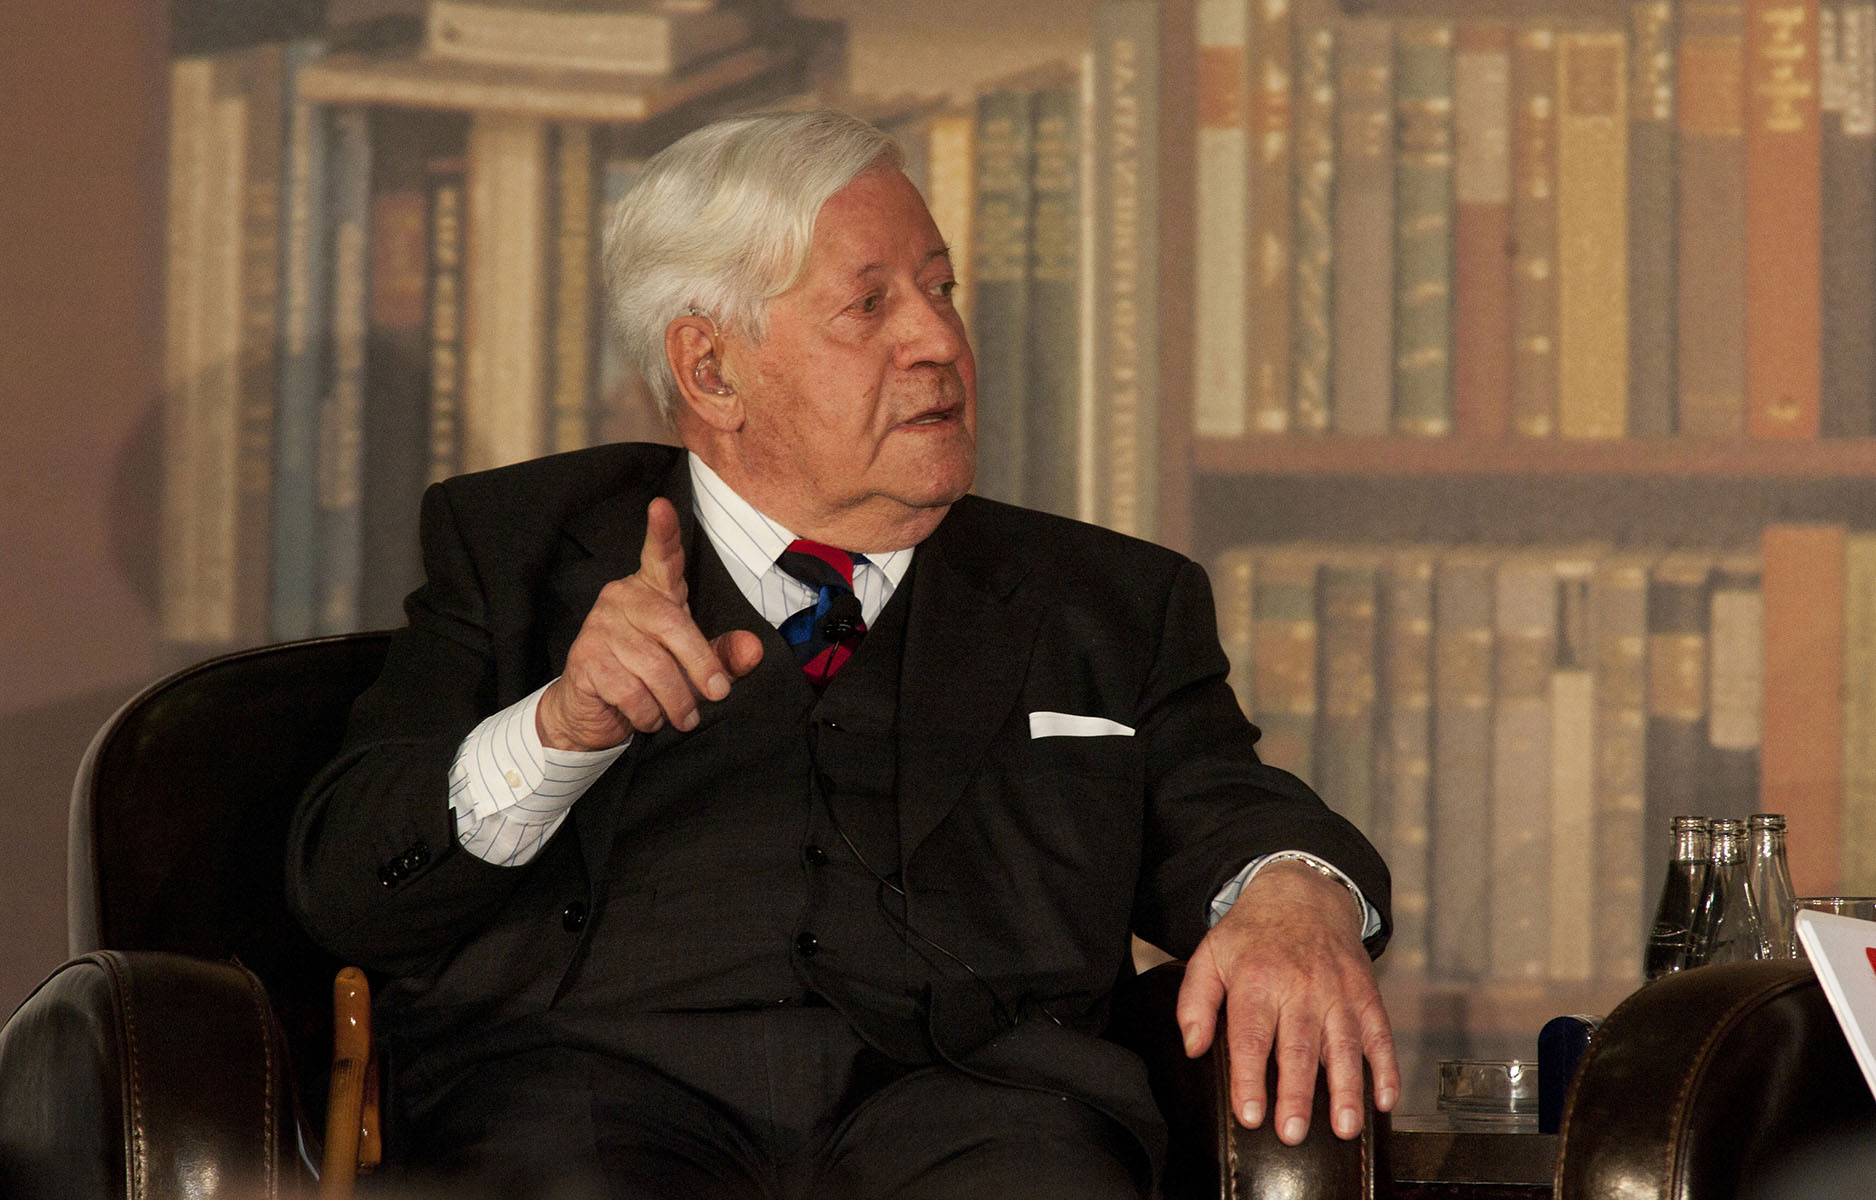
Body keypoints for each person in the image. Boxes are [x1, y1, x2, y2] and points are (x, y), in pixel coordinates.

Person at [286, 109, 1396, 1200]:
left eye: (941, 289)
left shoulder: (1108, 600)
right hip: (592, 1100)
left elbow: (1226, 804)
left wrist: (1294, 891)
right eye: (870, 306)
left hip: (984, 1111)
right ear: (711, 372)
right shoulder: (517, 549)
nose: (939, 341)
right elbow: (351, 889)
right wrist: (558, 728)